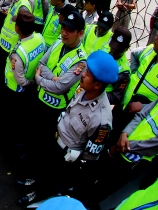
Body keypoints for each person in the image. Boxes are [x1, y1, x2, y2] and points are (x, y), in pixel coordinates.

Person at [17, 51, 116, 206]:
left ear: (98, 85)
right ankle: (35, 184)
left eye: (88, 74)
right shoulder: (83, 89)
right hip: (56, 137)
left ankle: (38, 198)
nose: (82, 75)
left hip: (67, 156)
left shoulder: (101, 119)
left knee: (52, 181)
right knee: (42, 166)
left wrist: (73, 166)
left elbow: (90, 156)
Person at [0, 9, 45, 151]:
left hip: (14, 89)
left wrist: (32, 83)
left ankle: (4, 138)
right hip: (28, 90)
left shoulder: (18, 54)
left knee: (8, 116)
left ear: (17, 28)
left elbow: (20, 80)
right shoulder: (39, 39)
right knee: (20, 117)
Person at [32, 10, 87, 151]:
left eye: (70, 30)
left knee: (46, 140)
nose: (64, 33)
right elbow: (41, 63)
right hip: (40, 98)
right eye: (63, 28)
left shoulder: (80, 60)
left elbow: (60, 87)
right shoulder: (57, 43)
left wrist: (39, 79)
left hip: (55, 107)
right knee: (34, 131)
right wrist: (52, 78)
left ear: (80, 33)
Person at [0, 0, 32, 90]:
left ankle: (1, 97)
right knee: (2, 69)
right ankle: (0, 89)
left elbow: (23, 32)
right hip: (5, 44)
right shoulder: (16, 1)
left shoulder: (23, 6)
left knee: (7, 73)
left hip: (11, 47)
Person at [106, 27, 131, 106]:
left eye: (118, 49)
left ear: (127, 48)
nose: (114, 51)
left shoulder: (124, 71)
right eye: (113, 47)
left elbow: (116, 97)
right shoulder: (105, 48)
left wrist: (95, 94)